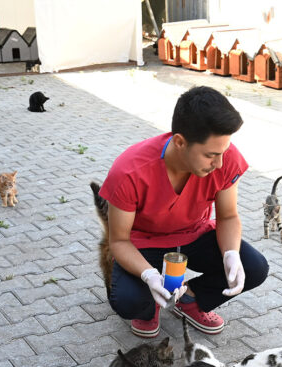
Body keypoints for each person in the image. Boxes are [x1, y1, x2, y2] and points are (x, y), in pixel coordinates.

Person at [99, 85, 269, 337]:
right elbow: (119, 241)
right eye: (211, 155)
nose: (219, 163)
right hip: (144, 244)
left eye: (223, 152)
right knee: (128, 301)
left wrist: (231, 253)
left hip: (194, 235)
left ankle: (190, 299)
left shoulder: (225, 159)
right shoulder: (129, 172)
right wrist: (148, 275)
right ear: (180, 141)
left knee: (254, 268)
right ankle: (149, 307)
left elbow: (228, 216)